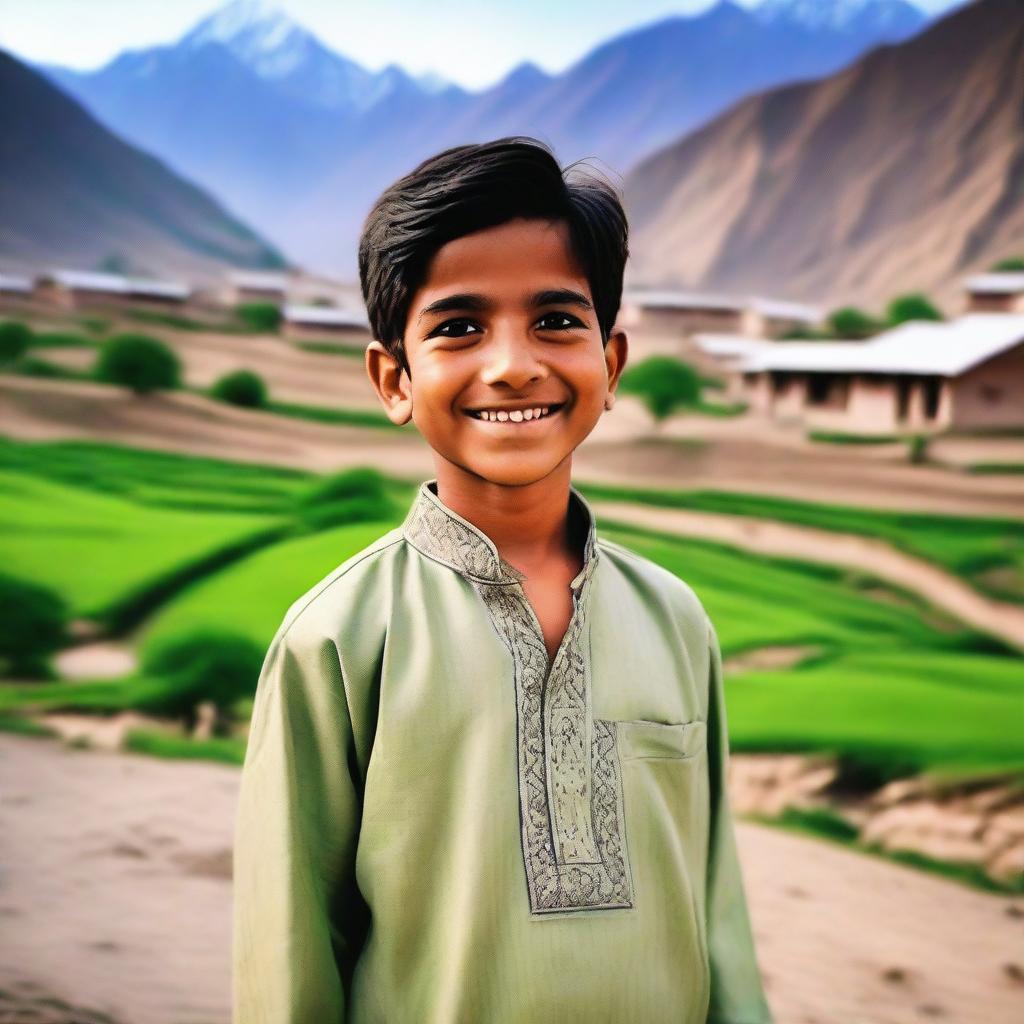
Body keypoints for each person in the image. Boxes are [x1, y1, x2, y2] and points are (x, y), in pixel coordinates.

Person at [232, 136, 773, 1024]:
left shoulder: (675, 619)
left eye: (558, 320)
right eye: (458, 327)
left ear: (612, 362)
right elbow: (287, 950)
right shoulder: (337, 639)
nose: (515, 363)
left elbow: (718, 919)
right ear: (393, 378)